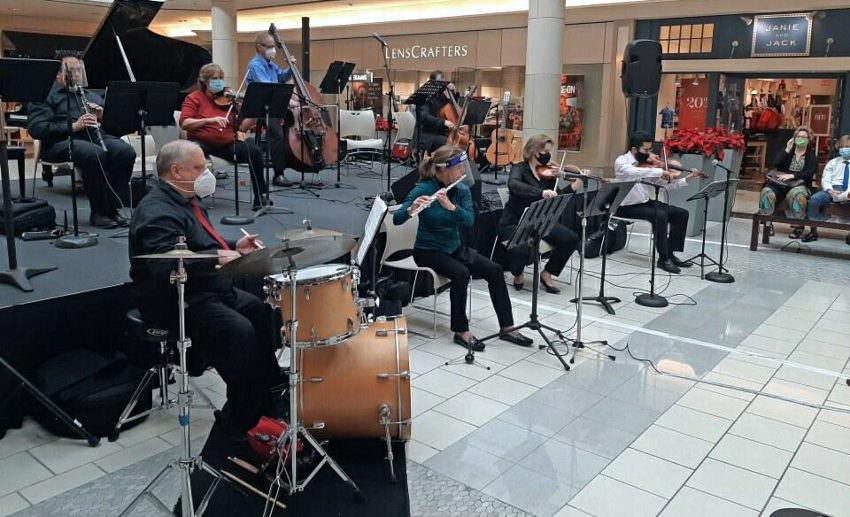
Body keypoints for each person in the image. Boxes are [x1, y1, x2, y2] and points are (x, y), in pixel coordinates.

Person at [128, 140, 280, 439]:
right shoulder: (157, 211)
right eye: (199, 167)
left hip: (204, 288)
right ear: (176, 170)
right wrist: (218, 257)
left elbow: (195, 240)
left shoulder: (183, 199)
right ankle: (243, 414)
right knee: (240, 332)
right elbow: (164, 265)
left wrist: (233, 245)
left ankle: (269, 389)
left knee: (259, 310)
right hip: (174, 300)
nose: (206, 171)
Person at [393, 145, 532, 351]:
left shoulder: (461, 191)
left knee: (494, 270)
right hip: (428, 251)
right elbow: (397, 218)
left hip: (454, 248)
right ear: (444, 170)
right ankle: (461, 331)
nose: (462, 172)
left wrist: (452, 207)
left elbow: (468, 221)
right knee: (461, 274)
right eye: (459, 168)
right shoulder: (423, 189)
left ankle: (507, 326)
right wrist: (412, 209)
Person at [28, 54, 136, 229]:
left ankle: (112, 208)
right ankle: (99, 212)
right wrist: (74, 126)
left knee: (125, 152)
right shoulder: (46, 96)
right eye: (71, 70)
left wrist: (103, 117)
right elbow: (37, 129)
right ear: (57, 74)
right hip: (60, 142)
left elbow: (117, 129)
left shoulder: (91, 96)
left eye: (78, 70)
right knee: (94, 153)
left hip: (93, 137)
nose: (76, 74)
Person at [180, 63, 269, 210]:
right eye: (215, 78)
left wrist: (254, 114)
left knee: (255, 152)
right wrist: (210, 120)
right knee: (193, 151)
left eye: (221, 78)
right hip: (201, 142)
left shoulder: (229, 100)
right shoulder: (194, 98)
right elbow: (185, 123)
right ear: (204, 81)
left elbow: (241, 127)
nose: (219, 81)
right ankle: (191, 197)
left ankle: (260, 197)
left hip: (227, 144)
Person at [499, 134, 580, 294]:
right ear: (533, 151)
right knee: (520, 248)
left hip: (540, 221)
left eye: (549, 151)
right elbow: (514, 185)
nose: (547, 155)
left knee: (571, 239)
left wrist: (573, 186)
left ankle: (547, 272)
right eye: (545, 151)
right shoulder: (519, 168)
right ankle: (517, 273)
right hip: (515, 221)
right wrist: (540, 192)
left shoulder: (548, 173)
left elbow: (555, 196)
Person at [614, 130, 703, 274]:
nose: (650, 154)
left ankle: (671, 253)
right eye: (646, 150)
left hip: (645, 202)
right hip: (625, 207)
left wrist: (689, 178)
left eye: (651, 150)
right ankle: (663, 258)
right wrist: (659, 171)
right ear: (634, 149)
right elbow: (633, 172)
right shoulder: (622, 162)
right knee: (660, 215)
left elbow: (666, 185)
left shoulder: (648, 166)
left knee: (681, 213)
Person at [246, 32, 295, 187]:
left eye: (274, 46)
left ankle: (287, 161)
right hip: (261, 108)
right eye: (270, 46)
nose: (273, 50)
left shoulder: (272, 65)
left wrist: (291, 67)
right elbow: (267, 87)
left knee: (289, 126)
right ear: (259, 47)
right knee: (278, 134)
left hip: (272, 106)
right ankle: (278, 174)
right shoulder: (255, 65)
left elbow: (281, 78)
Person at [759, 125, 817, 239]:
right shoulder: (788, 152)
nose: (801, 139)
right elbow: (776, 164)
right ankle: (767, 223)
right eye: (799, 136)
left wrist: (793, 175)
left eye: (804, 137)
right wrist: (787, 149)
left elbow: (810, 172)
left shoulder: (811, 156)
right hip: (781, 184)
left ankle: (798, 227)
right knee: (767, 192)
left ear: (809, 140)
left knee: (797, 195)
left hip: (800, 184)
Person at [803, 134, 850, 244]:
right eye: (842, 147)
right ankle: (814, 228)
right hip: (832, 189)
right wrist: (830, 190)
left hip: (848, 191)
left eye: (848, 147)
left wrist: (845, 194)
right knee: (814, 200)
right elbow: (826, 178)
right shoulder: (833, 162)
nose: (845, 149)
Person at [413, 70, 457, 154]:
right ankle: (438, 164)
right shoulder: (424, 96)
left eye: (444, 82)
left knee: (456, 142)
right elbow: (424, 117)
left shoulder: (440, 96)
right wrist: (444, 122)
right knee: (447, 142)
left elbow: (451, 108)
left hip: (437, 132)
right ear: (432, 82)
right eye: (440, 82)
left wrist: (453, 94)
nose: (443, 85)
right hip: (424, 134)